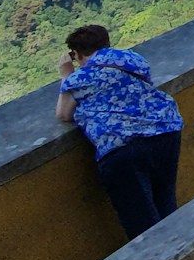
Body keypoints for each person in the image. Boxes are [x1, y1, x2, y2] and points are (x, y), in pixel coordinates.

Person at [56, 25, 184, 239]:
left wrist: (66, 74)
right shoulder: (133, 60)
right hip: (165, 132)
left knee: (142, 224)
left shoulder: (80, 78)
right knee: (166, 204)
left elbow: (63, 114)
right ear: (107, 43)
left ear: (76, 54)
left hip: (122, 147)